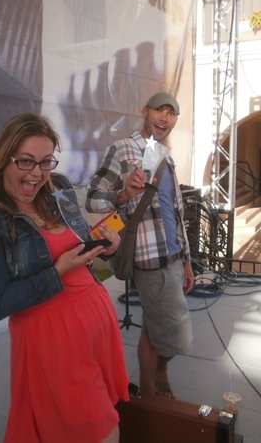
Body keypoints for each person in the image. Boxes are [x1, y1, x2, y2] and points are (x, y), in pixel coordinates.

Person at [0, 113, 129, 443]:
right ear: (2, 159)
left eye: (45, 162)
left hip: (95, 325)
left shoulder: (59, 188)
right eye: (25, 161)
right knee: (102, 432)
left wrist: (105, 249)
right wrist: (57, 272)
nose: (37, 174)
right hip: (53, 340)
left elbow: (78, 249)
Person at [86, 92, 194, 399]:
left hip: (173, 255)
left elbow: (177, 212)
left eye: (171, 114)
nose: (165, 118)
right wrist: (123, 193)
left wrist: (186, 260)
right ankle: (158, 378)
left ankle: (150, 393)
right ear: (144, 111)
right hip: (150, 257)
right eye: (159, 111)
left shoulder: (166, 157)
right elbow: (93, 197)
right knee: (177, 336)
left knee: (153, 327)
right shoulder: (121, 148)